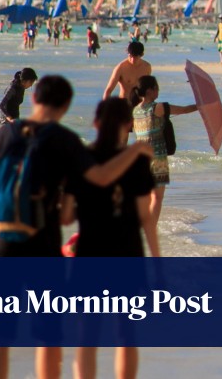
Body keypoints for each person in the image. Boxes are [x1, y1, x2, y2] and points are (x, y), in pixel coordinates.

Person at [0, 76, 153, 379]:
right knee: (47, 336)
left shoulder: (5, 135)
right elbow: (99, 178)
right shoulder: (64, 140)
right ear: (65, 106)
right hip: (42, 247)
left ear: (34, 99)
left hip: (0, 244)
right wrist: (136, 151)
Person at [61, 96, 159, 379]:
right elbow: (146, 219)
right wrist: (158, 264)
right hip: (128, 254)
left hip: (90, 253)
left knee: (87, 335)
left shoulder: (81, 160)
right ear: (129, 125)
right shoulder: (138, 163)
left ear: (95, 123)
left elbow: (66, 215)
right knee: (126, 334)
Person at [130, 75, 198, 224]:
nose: (158, 91)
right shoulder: (158, 107)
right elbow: (184, 110)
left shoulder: (135, 110)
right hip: (157, 158)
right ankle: (151, 228)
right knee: (157, 197)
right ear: (150, 90)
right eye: (156, 88)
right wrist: (200, 105)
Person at [0, 68, 39, 138]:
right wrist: (9, 118)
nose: (31, 85)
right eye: (31, 83)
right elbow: (0, 105)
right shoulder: (12, 88)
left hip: (15, 121)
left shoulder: (22, 87)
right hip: (6, 123)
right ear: (26, 80)